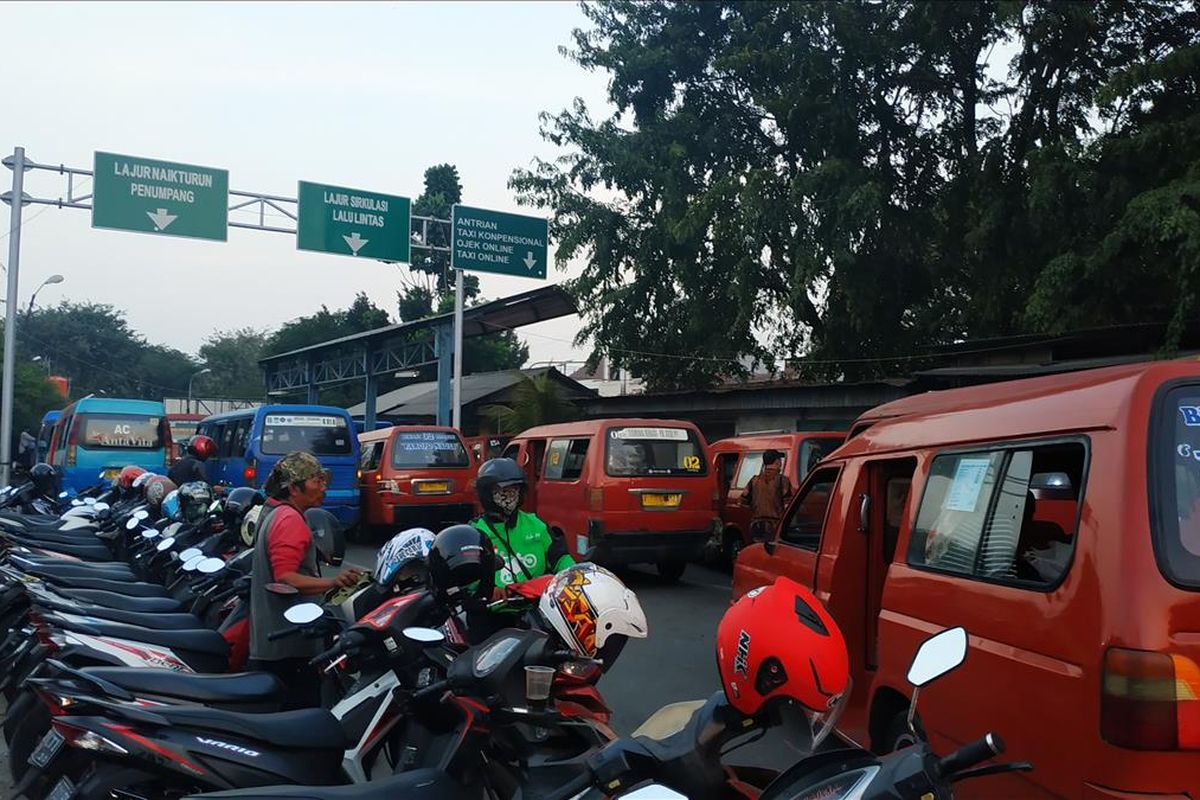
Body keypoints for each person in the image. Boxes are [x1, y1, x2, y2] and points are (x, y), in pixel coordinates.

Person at [248, 451, 361, 709]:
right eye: (316, 481)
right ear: (293, 488)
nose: (323, 488)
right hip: (289, 645)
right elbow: (286, 577)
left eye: (323, 481)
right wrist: (333, 583)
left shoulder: (277, 514)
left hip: (276, 639)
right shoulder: (289, 520)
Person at [470, 458, 575, 596]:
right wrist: (489, 591)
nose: (510, 495)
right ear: (487, 493)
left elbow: (561, 559)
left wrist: (573, 576)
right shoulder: (475, 533)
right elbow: (468, 579)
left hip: (538, 606)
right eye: (503, 490)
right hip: (495, 610)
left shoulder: (535, 524)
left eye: (515, 489)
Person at [741, 450, 794, 542]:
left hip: (757, 527)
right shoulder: (783, 481)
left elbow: (742, 502)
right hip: (775, 528)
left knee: (759, 553)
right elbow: (788, 506)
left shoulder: (754, 481)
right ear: (777, 462)